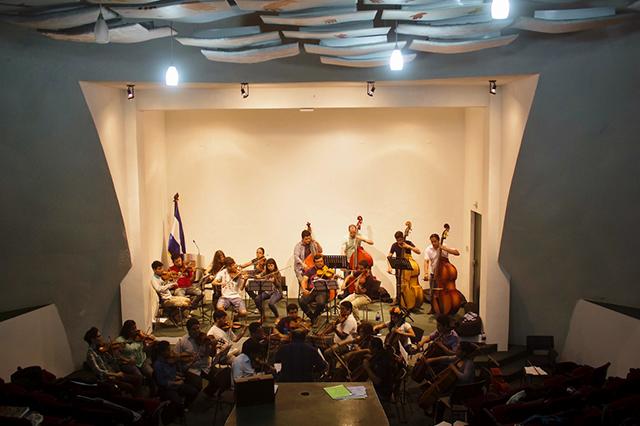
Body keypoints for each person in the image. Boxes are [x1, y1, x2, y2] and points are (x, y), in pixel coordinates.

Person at [83, 327, 143, 396]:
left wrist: (125, 361)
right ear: (93, 339)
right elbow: (98, 371)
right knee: (129, 387)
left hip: (115, 374)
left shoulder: (101, 349)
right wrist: (115, 374)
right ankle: (135, 401)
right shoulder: (91, 354)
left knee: (138, 378)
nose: (102, 338)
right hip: (107, 379)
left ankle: (138, 399)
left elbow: (112, 360)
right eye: (99, 336)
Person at [153, 340, 200, 415]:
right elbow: (161, 382)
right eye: (168, 350)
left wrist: (177, 377)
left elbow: (172, 373)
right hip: (166, 389)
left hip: (175, 385)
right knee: (177, 401)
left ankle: (184, 407)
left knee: (194, 391)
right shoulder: (158, 365)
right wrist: (176, 382)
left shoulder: (169, 360)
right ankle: (175, 414)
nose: (171, 351)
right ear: (162, 352)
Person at [175, 318, 216, 391]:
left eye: (198, 328)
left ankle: (207, 393)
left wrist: (213, 346)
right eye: (194, 329)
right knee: (197, 384)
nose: (197, 331)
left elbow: (212, 355)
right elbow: (176, 357)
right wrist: (189, 360)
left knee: (218, 376)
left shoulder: (204, 339)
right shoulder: (182, 342)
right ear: (188, 330)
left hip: (205, 367)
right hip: (192, 369)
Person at [362, 337, 402, 401]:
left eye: (370, 348)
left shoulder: (382, 361)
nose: (369, 349)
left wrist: (367, 368)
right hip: (384, 388)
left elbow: (377, 381)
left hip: (381, 392)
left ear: (374, 348)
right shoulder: (383, 353)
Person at [423, 233, 460, 303]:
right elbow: (426, 261)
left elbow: (457, 253)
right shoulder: (428, 249)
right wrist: (425, 273)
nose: (433, 243)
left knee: (444, 292)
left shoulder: (444, 246)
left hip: (443, 275)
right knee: (432, 293)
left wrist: (444, 248)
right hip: (434, 273)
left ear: (439, 240)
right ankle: (433, 308)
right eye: (432, 242)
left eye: (435, 241)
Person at [299, 254, 333, 324]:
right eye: (318, 262)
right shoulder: (310, 270)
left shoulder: (327, 270)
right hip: (312, 291)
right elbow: (304, 280)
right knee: (301, 301)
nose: (320, 263)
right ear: (314, 262)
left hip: (323, 291)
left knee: (321, 303)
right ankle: (311, 316)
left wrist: (332, 278)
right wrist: (304, 289)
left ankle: (315, 316)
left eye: (321, 261)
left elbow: (331, 282)